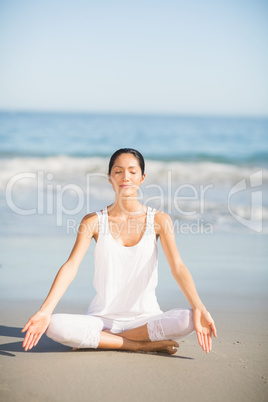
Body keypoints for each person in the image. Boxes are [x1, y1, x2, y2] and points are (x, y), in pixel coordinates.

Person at [22, 148, 217, 355]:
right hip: (101, 319)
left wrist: (199, 307)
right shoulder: (93, 221)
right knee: (54, 325)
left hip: (147, 318)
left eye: (132, 172)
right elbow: (71, 266)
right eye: (118, 171)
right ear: (109, 177)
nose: (125, 177)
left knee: (188, 318)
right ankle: (136, 344)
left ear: (142, 178)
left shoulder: (160, 220)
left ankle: (102, 341)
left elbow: (177, 267)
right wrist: (45, 311)